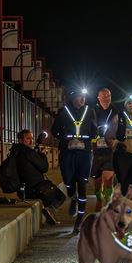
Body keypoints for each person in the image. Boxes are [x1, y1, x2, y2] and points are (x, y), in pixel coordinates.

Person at [51, 88, 97, 233]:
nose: (82, 99)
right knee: (68, 181)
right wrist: (64, 137)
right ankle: (73, 196)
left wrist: (90, 136)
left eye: (83, 97)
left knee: (82, 182)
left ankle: (79, 221)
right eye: (79, 97)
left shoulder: (90, 111)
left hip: (84, 152)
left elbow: (95, 130)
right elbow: (54, 130)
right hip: (67, 151)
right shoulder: (63, 111)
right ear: (72, 98)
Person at [12, 129, 65, 224]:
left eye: (31, 138)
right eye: (28, 139)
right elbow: (44, 168)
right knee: (60, 196)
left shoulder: (14, 152)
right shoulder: (28, 152)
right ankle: (47, 212)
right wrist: (42, 154)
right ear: (20, 140)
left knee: (48, 191)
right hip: (34, 189)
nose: (31, 141)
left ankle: (48, 213)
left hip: (22, 191)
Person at [90, 87, 117, 211]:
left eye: (109, 95)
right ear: (98, 97)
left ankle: (107, 205)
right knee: (97, 183)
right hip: (96, 151)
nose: (106, 98)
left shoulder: (116, 110)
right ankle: (99, 199)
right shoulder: (93, 111)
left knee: (108, 180)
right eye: (104, 95)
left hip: (110, 151)